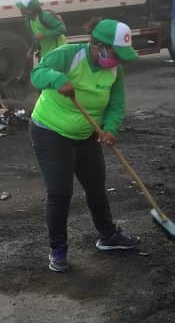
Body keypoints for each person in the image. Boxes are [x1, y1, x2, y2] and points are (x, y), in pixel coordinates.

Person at [29, 18, 141, 273]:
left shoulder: (115, 70)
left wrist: (111, 129)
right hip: (50, 131)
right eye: (115, 53)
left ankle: (108, 236)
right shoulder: (69, 55)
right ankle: (57, 250)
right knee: (60, 192)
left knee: (96, 187)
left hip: (87, 134)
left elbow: (116, 104)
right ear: (96, 45)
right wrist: (58, 80)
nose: (118, 60)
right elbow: (37, 74)